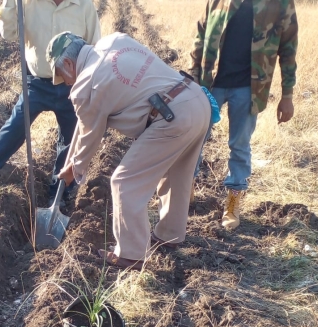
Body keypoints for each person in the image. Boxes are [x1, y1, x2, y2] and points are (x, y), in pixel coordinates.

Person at [50, 32, 211, 270]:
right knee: (177, 174)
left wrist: (75, 170)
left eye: (61, 75)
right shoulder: (113, 41)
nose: (65, 82)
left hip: (171, 117)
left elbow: (90, 136)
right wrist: (72, 162)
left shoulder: (86, 84)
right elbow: (84, 127)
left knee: (124, 181)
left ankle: (130, 254)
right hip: (197, 101)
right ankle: (169, 235)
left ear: (68, 64)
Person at [0, 0, 101, 197]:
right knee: (16, 125)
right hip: (37, 82)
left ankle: (60, 191)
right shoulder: (27, 3)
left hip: (72, 84)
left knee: (70, 137)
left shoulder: (83, 5)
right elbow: (8, 34)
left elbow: (95, 45)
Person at [190, 0, 298, 229]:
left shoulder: (280, 3)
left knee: (239, 145)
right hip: (211, 84)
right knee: (193, 137)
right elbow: (201, 33)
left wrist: (287, 94)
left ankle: (232, 203)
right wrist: (192, 76)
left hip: (249, 88)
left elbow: (288, 49)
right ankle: (184, 188)